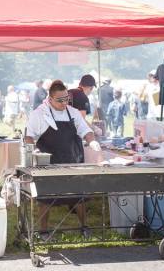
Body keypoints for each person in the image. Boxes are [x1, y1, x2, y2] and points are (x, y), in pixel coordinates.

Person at [24, 80, 101, 233]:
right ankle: (43, 231)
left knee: (78, 196)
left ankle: (84, 228)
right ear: (50, 99)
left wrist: (92, 141)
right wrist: (32, 150)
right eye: (60, 100)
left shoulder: (72, 112)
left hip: (72, 159)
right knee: (45, 198)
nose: (64, 102)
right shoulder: (39, 114)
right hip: (48, 161)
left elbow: (86, 130)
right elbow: (29, 136)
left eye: (66, 98)